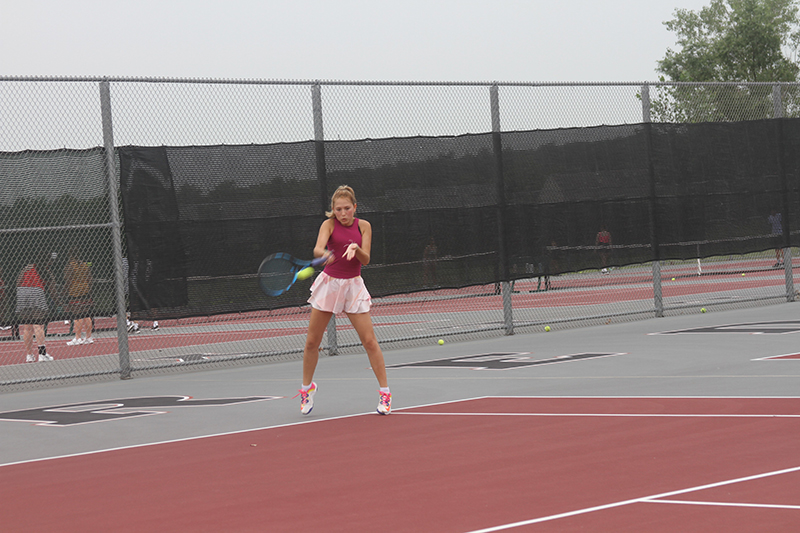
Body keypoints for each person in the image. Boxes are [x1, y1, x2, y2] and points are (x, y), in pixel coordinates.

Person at [297, 185, 391, 415]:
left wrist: (356, 249)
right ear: (333, 210)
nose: (343, 213)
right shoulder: (328, 225)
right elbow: (318, 248)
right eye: (338, 209)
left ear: (355, 207)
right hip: (330, 284)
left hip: (353, 286)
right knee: (311, 342)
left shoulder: (364, 226)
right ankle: (306, 389)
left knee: (369, 341)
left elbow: (366, 259)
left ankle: (385, 393)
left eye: (347, 208)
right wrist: (325, 254)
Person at [15, 260, 53, 362]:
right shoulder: (43, 269)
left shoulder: (26, 268)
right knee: (38, 325)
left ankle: (29, 355)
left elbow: (18, 282)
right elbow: (50, 284)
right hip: (36, 292)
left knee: (27, 327)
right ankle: (42, 354)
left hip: (22, 292)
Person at [64, 247, 94, 345]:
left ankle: (78, 337)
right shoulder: (85, 265)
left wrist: (66, 291)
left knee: (77, 316)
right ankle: (88, 337)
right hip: (85, 290)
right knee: (87, 315)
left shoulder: (70, 266)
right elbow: (90, 278)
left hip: (75, 291)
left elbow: (67, 281)